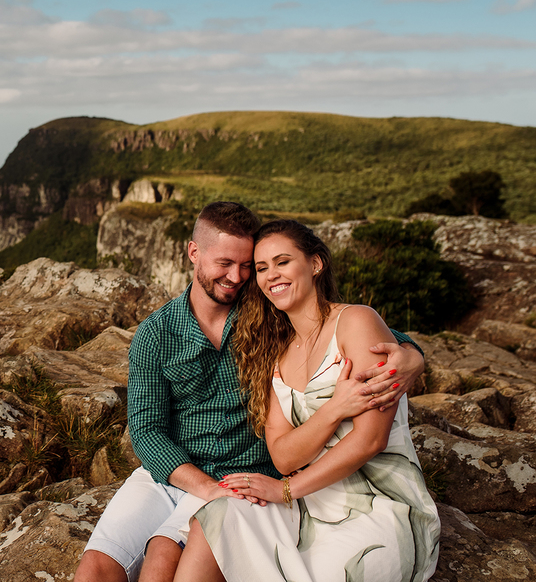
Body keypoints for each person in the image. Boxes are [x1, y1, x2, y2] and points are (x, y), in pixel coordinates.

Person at [74, 203, 426, 582]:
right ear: (194, 253)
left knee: (161, 558)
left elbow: (351, 330)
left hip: (243, 475)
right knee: (95, 568)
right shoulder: (156, 333)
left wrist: (413, 356)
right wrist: (205, 487)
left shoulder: (267, 313)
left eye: (247, 266)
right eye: (225, 263)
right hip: (174, 474)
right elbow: (146, 431)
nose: (237, 276)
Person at [171, 219, 439, 581]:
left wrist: (286, 490)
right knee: (220, 516)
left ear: (315, 264)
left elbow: (371, 439)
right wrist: (334, 409)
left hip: (376, 504)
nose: (271, 276)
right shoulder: (277, 356)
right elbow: (282, 455)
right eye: (262, 268)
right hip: (309, 503)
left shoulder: (356, 322)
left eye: (282, 262)